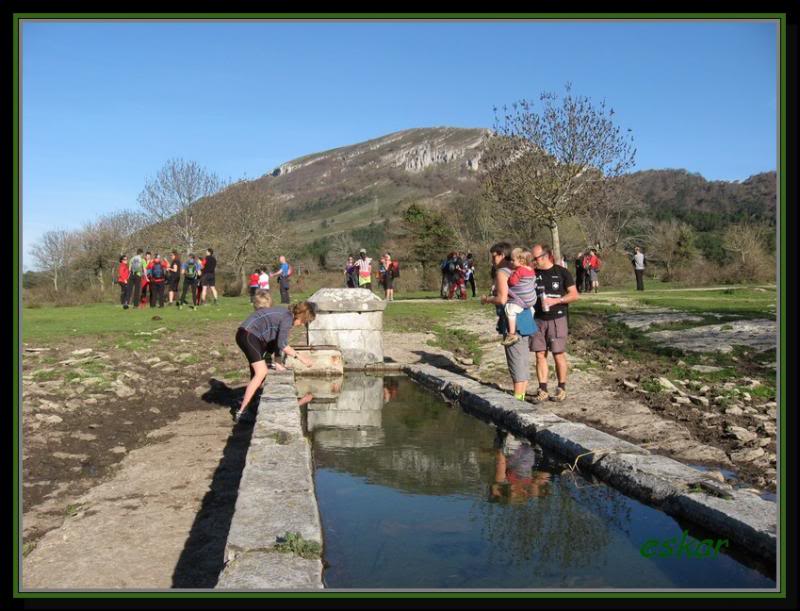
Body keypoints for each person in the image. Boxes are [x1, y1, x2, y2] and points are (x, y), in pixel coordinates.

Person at [233, 295, 316, 423]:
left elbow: (278, 342)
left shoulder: (286, 315)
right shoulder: (287, 318)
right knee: (261, 372)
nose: (302, 325)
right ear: (301, 316)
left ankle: (252, 401)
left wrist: (278, 363)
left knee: (258, 372)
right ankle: (241, 411)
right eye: (304, 322)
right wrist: (302, 358)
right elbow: (282, 345)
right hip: (248, 335)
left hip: (253, 337)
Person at [529, 243, 579, 403]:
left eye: (535, 258)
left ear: (546, 256)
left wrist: (556, 300)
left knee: (558, 354)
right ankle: (542, 389)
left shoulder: (562, 272)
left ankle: (561, 388)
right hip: (537, 319)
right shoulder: (532, 274)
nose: (534, 261)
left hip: (557, 318)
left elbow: (574, 295)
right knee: (539, 355)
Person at [481, 242, 530, 401]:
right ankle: (521, 394)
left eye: (494, 256)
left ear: (502, 255)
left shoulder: (502, 272)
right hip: (526, 314)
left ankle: (517, 399)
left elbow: (502, 299)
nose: (492, 260)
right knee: (522, 357)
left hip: (511, 319)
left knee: (514, 358)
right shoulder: (519, 268)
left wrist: (487, 299)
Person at [502, 248, 538, 347]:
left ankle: (512, 334)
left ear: (521, 261)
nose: (511, 262)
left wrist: (508, 279)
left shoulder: (520, 270)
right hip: (532, 300)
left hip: (523, 300)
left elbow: (512, 282)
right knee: (530, 309)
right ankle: (530, 320)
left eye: (513, 260)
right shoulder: (531, 270)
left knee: (509, 309)